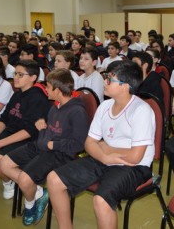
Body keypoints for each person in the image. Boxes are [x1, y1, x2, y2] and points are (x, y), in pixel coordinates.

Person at [46, 60, 155, 229]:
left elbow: (135, 156)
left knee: (101, 200)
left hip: (134, 167)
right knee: (54, 180)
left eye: (109, 79)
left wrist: (105, 147)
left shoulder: (141, 110)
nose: (104, 82)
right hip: (103, 158)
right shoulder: (104, 106)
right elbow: (89, 143)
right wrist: (103, 155)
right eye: (106, 77)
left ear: (125, 86)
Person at [0, 69, 89, 225]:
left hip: (60, 154)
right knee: (3, 163)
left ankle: (30, 204)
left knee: (25, 180)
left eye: (47, 87)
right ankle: (39, 193)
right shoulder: (55, 107)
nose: (45, 90)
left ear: (57, 90)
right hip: (43, 145)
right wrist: (43, 131)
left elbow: (78, 144)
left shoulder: (77, 111)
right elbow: (49, 132)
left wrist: (51, 143)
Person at [0, 60, 51, 199]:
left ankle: (31, 185)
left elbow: (29, 131)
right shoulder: (17, 94)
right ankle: (10, 179)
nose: (15, 77)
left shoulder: (37, 98)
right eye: (15, 73)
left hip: (26, 139)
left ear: (33, 78)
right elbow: (4, 119)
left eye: (20, 74)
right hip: (9, 133)